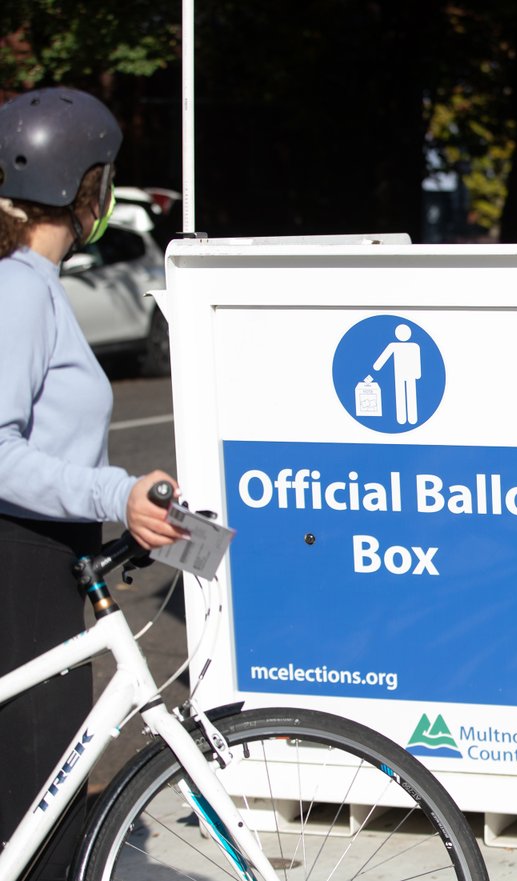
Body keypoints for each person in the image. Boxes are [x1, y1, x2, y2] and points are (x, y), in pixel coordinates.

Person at [0, 87, 184, 878]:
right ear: (87, 186)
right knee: (39, 804)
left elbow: (49, 441)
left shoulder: (35, 286)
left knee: (43, 799)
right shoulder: (19, 290)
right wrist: (115, 496)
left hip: (48, 556)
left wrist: (121, 494)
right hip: (21, 564)